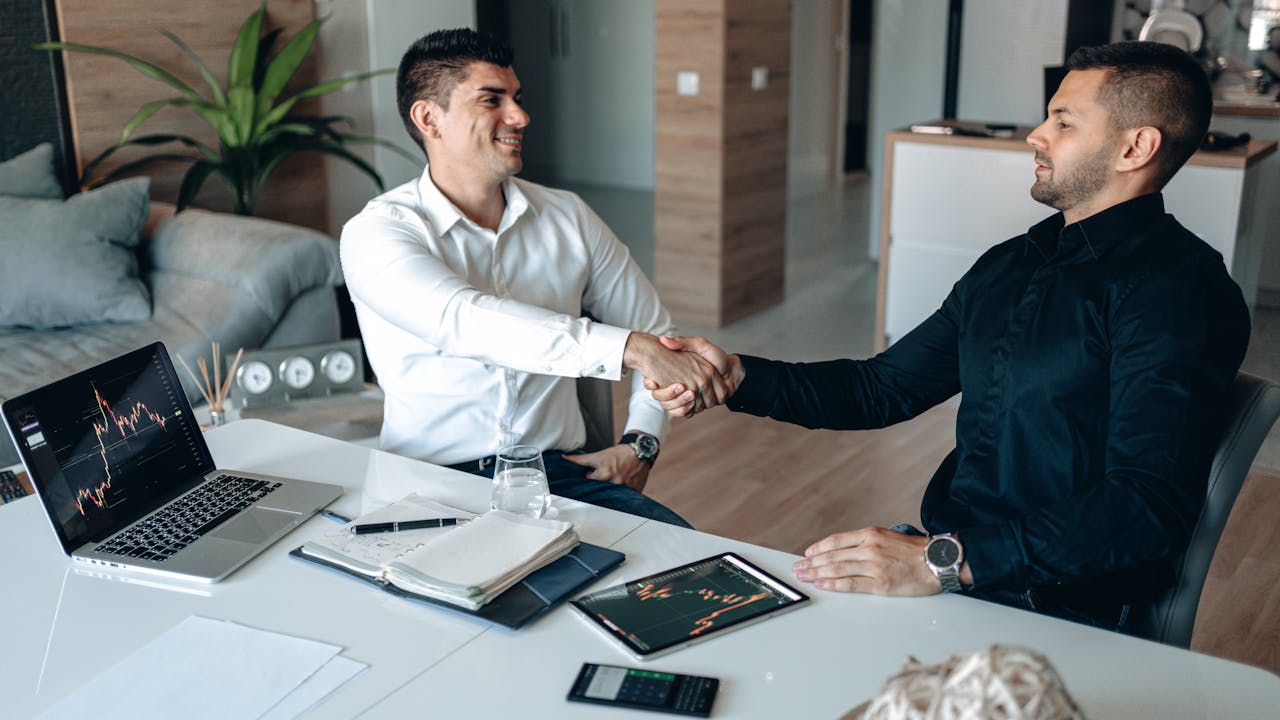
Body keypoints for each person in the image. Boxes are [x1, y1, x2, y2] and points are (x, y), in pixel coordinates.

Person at [646, 41, 1251, 630]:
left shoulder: (1179, 292)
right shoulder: (1011, 264)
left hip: (1061, 604)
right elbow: (881, 389)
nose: (1035, 135)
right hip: (953, 569)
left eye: (1063, 122)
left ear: (1136, 147)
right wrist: (737, 376)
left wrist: (943, 562)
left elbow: (1143, 508)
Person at [341, 29, 728, 526]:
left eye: (517, 99)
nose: (520, 117)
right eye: (491, 100)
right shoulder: (377, 233)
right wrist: (628, 347)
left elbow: (655, 328)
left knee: (684, 572)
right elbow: (464, 321)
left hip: (559, 477)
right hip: (429, 484)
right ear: (428, 118)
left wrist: (641, 444)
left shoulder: (568, 216)